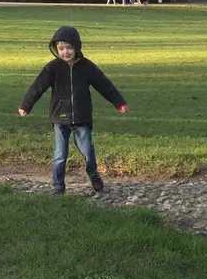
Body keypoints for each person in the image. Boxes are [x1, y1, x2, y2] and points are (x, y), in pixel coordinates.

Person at [18, 24, 127, 194]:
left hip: (82, 118)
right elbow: (37, 87)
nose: (65, 52)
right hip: (59, 119)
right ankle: (58, 187)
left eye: (69, 48)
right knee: (59, 156)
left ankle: (93, 175)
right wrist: (26, 105)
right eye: (61, 48)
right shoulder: (52, 68)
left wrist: (118, 102)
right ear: (56, 49)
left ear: (77, 48)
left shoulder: (87, 67)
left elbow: (104, 85)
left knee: (88, 153)